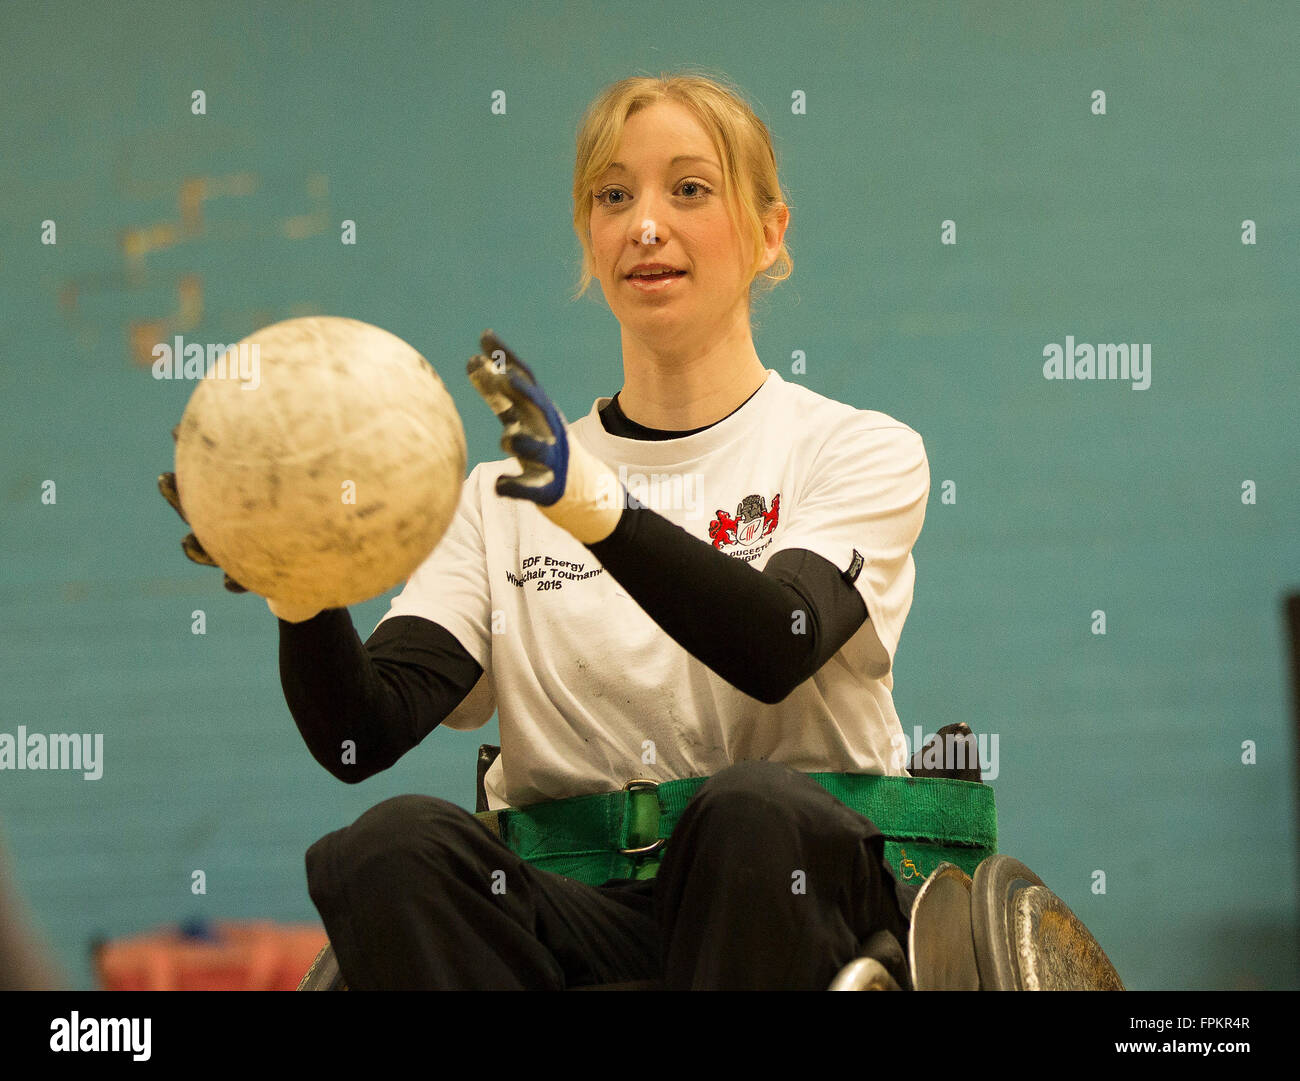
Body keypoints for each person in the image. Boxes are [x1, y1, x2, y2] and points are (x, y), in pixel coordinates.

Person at [161, 70, 932, 990]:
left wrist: (594, 509)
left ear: (771, 233)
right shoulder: (501, 497)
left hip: (793, 893)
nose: (646, 224)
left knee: (750, 812)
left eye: (690, 188)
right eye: (614, 196)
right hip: (580, 910)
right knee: (392, 846)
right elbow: (359, 737)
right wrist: (301, 587)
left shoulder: (856, 449)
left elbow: (778, 642)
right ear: (589, 237)